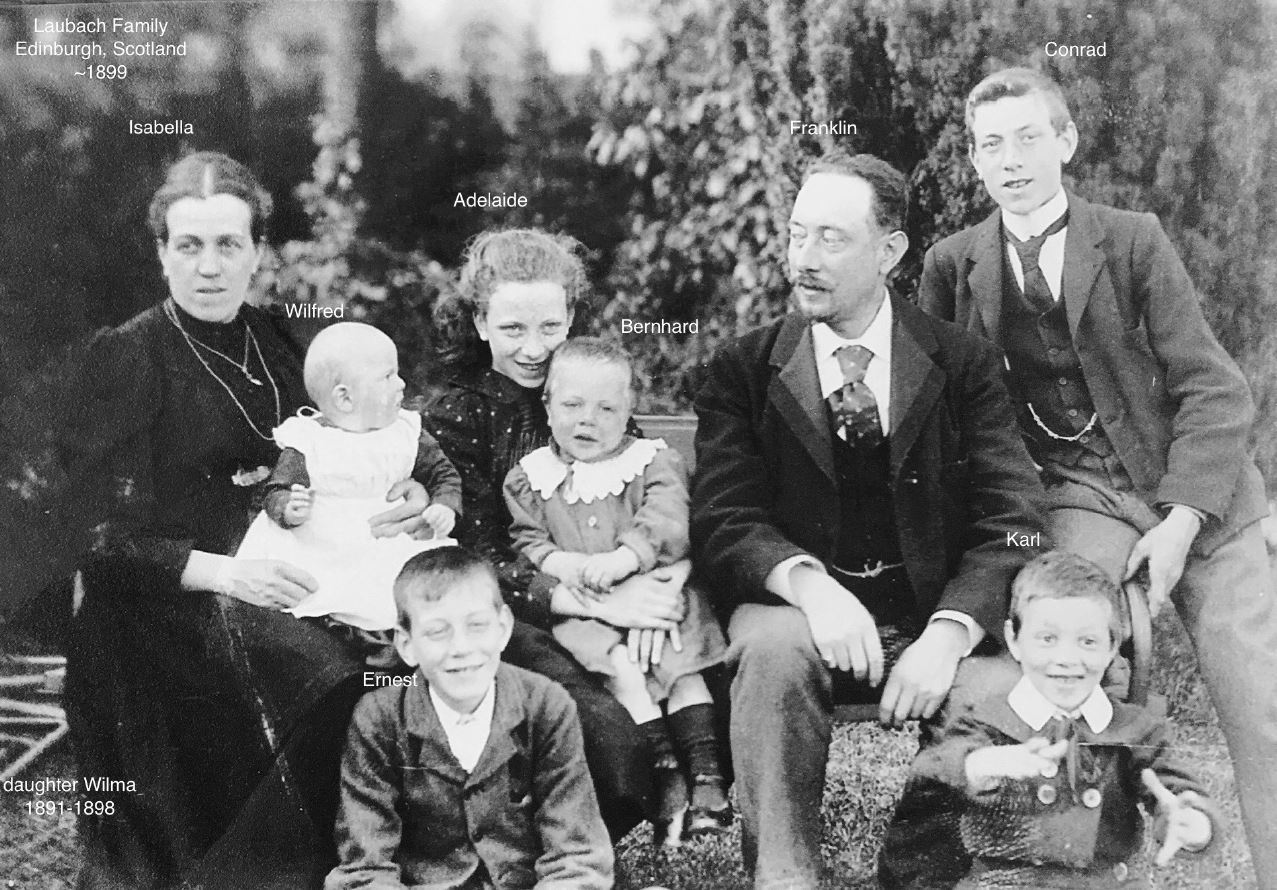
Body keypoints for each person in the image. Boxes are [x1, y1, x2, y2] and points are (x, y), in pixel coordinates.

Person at [917, 66, 1277, 887]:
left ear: (1065, 142)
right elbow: (947, 418)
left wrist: (1182, 519)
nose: (1009, 160)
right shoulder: (952, 264)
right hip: (1076, 494)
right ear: (973, 161)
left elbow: (1214, 387)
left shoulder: (1132, 238)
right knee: (1064, 651)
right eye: (989, 146)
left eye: (1027, 138)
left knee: (1259, 705)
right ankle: (1068, 863)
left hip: (1197, 495)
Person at [58, 151, 430, 889]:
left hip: (300, 573)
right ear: (162, 253)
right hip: (165, 609)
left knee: (406, 652)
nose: (209, 266)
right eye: (188, 245)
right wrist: (230, 574)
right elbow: (92, 535)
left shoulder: (286, 343)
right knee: (327, 675)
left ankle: (384, 854)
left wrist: (408, 493)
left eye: (229, 244)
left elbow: (354, 444)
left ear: (258, 252)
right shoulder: (127, 357)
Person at [690, 150, 1046, 889]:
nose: (803, 260)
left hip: (929, 608)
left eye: (830, 238)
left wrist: (949, 634)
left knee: (987, 689)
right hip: (799, 616)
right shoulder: (745, 368)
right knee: (771, 649)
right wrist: (811, 590)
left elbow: (1012, 518)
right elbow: (725, 515)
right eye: (795, 235)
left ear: (889, 250)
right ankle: (783, 878)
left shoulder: (962, 363)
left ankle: (916, 878)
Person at [422, 228, 689, 841]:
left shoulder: (589, 391)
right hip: (518, 615)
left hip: (624, 589)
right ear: (482, 322)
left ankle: (613, 830)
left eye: (550, 327)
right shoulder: (456, 416)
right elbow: (476, 558)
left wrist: (655, 597)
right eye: (513, 329)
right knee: (590, 716)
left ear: (571, 316)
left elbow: (655, 500)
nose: (534, 349)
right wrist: (595, 601)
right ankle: (568, 853)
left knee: (675, 661)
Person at [503, 338, 731, 846]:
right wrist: (576, 566)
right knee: (624, 672)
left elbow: (668, 520)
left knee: (681, 670)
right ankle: (666, 775)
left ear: (630, 409)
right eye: (572, 406)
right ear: (547, 405)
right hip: (588, 612)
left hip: (660, 597)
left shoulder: (653, 461)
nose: (589, 421)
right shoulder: (531, 478)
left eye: (607, 408)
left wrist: (624, 561)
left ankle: (709, 782)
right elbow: (528, 542)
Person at [910, 551, 1218, 889]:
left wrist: (1191, 822)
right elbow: (933, 775)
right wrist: (978, 764)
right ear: (1014, 640)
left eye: (1088, 642)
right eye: (1047, 639)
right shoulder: (985, 718)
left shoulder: (1135, 728)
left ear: (1112, 647)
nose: (1067, 659)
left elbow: (1173, 785)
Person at [324, 546, 613, 890]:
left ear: (503, 627)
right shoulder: (379, 719)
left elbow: (576, 856)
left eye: (476, 626)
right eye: (437, 632)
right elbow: (366, 869)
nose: (460, 647)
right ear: (406, 644)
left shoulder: (547, 705)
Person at [237, 321, 461, 651]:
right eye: (388, 376)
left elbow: (443, 474)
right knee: (317, 598)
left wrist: (444, 504)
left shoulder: (405, 432)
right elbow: (277, 487)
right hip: (323, 544)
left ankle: (390, 643)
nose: (401, 383)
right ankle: (339, 635)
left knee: (409, 593)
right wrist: (287, 507)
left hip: (386, 543)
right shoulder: (308, 439)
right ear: (344, 398)